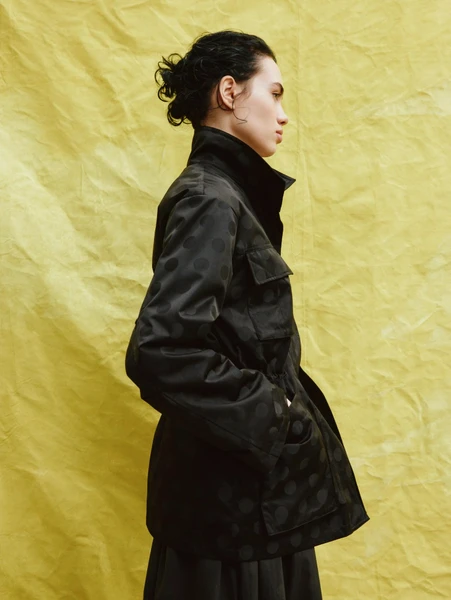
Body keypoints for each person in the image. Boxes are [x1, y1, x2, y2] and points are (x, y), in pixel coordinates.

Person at [125, 29, 369, 600]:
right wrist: (276, 412)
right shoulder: (209, 198)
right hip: (229, 512)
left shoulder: (230, 194)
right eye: (274, 93)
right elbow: (159, 352)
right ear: (230, 92)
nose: (283, 115)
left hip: (255, 496)